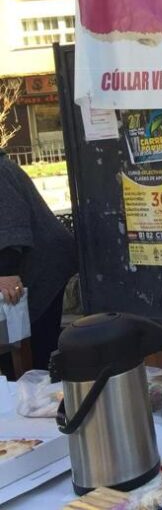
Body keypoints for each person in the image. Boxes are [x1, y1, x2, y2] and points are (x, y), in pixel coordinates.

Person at [0, 148, 77, 376]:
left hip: (40, 265)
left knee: (36, 351)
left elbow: (12, 236)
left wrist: (3, 274)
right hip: (32, 261)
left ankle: (43, 397)